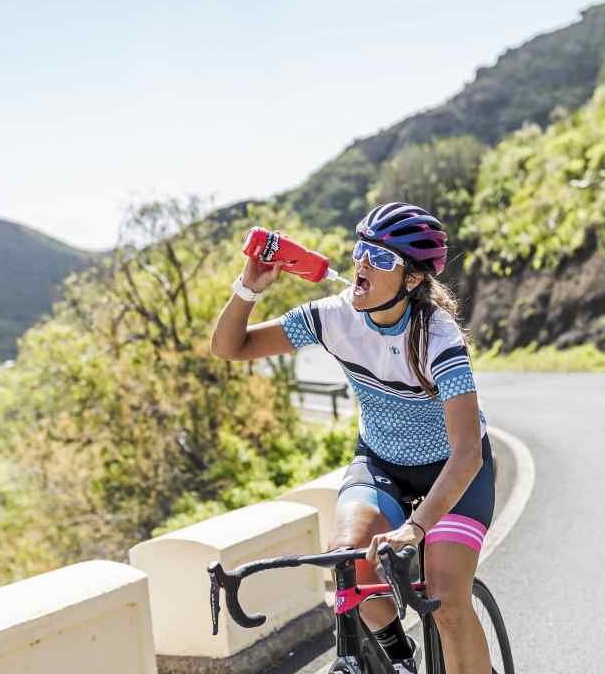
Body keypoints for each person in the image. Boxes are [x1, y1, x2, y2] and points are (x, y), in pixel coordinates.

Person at [209, 202, 494, 673]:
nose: (363, 263)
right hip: (381, 463)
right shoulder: (333, 317)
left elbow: (466, 455)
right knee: (348, 562)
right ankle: (401, 658)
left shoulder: (438, 337)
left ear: (413, 281)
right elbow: (229, 347)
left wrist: (415, 528)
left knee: (446, 598)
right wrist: (248, 288)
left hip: (453, 472)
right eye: (362, 250)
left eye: (382, 259)